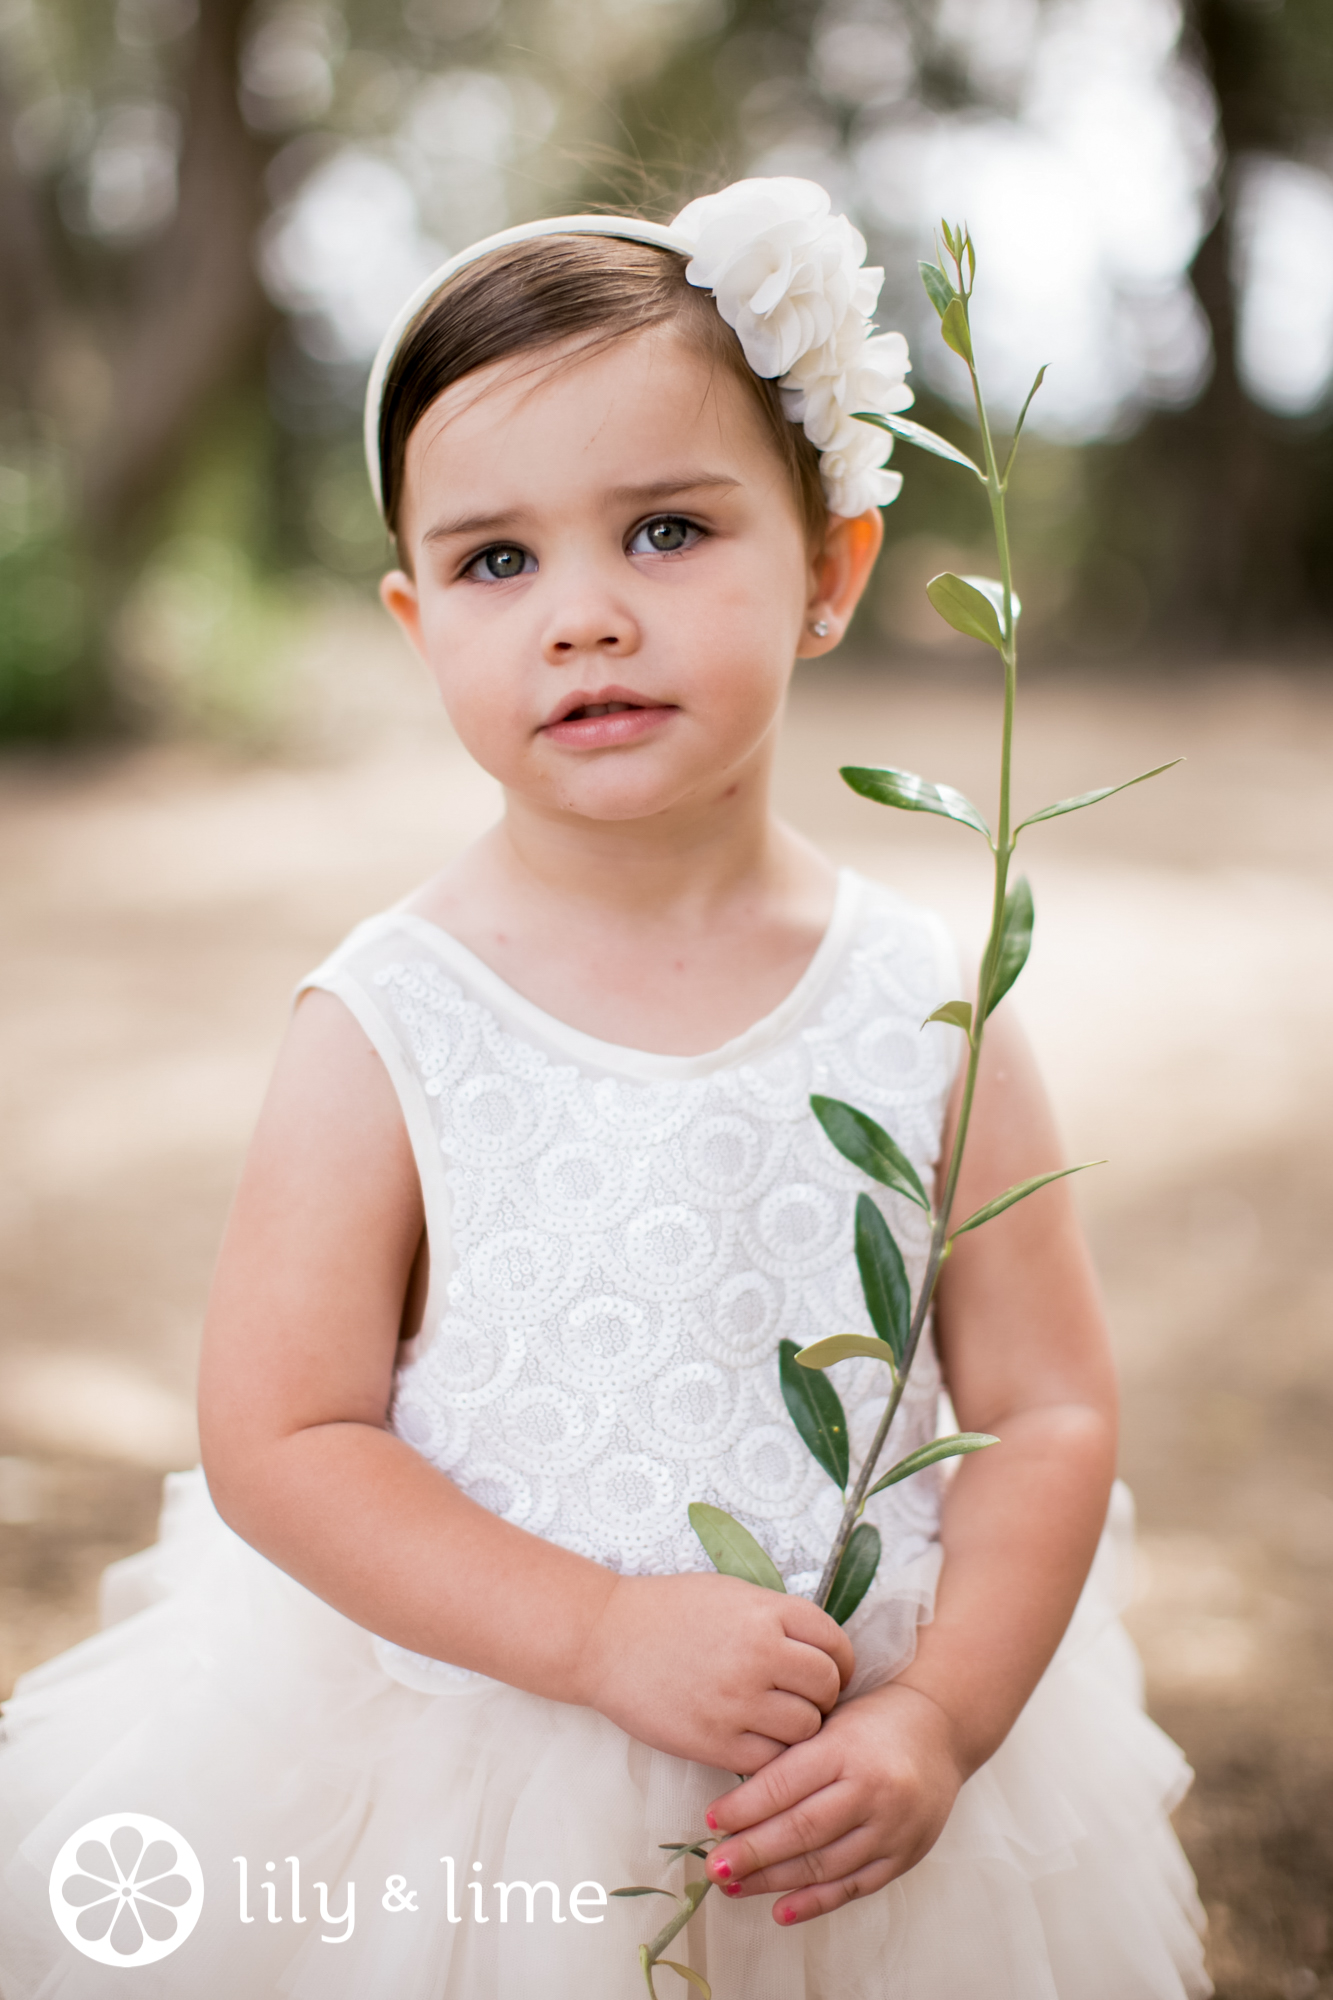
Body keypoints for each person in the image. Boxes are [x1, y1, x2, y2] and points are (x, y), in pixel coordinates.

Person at [0, 178, 1211, 1999]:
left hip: (836, 1782)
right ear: (420, 629)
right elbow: (282, 1436)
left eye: (662, 529)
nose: (580, 615)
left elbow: (1040, 1411)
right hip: (463, 1761)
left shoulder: (932, 1004)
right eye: (497, 561)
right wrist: (591, 1633)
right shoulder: (391, 1018)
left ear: (827, 569)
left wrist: (941, 1724)